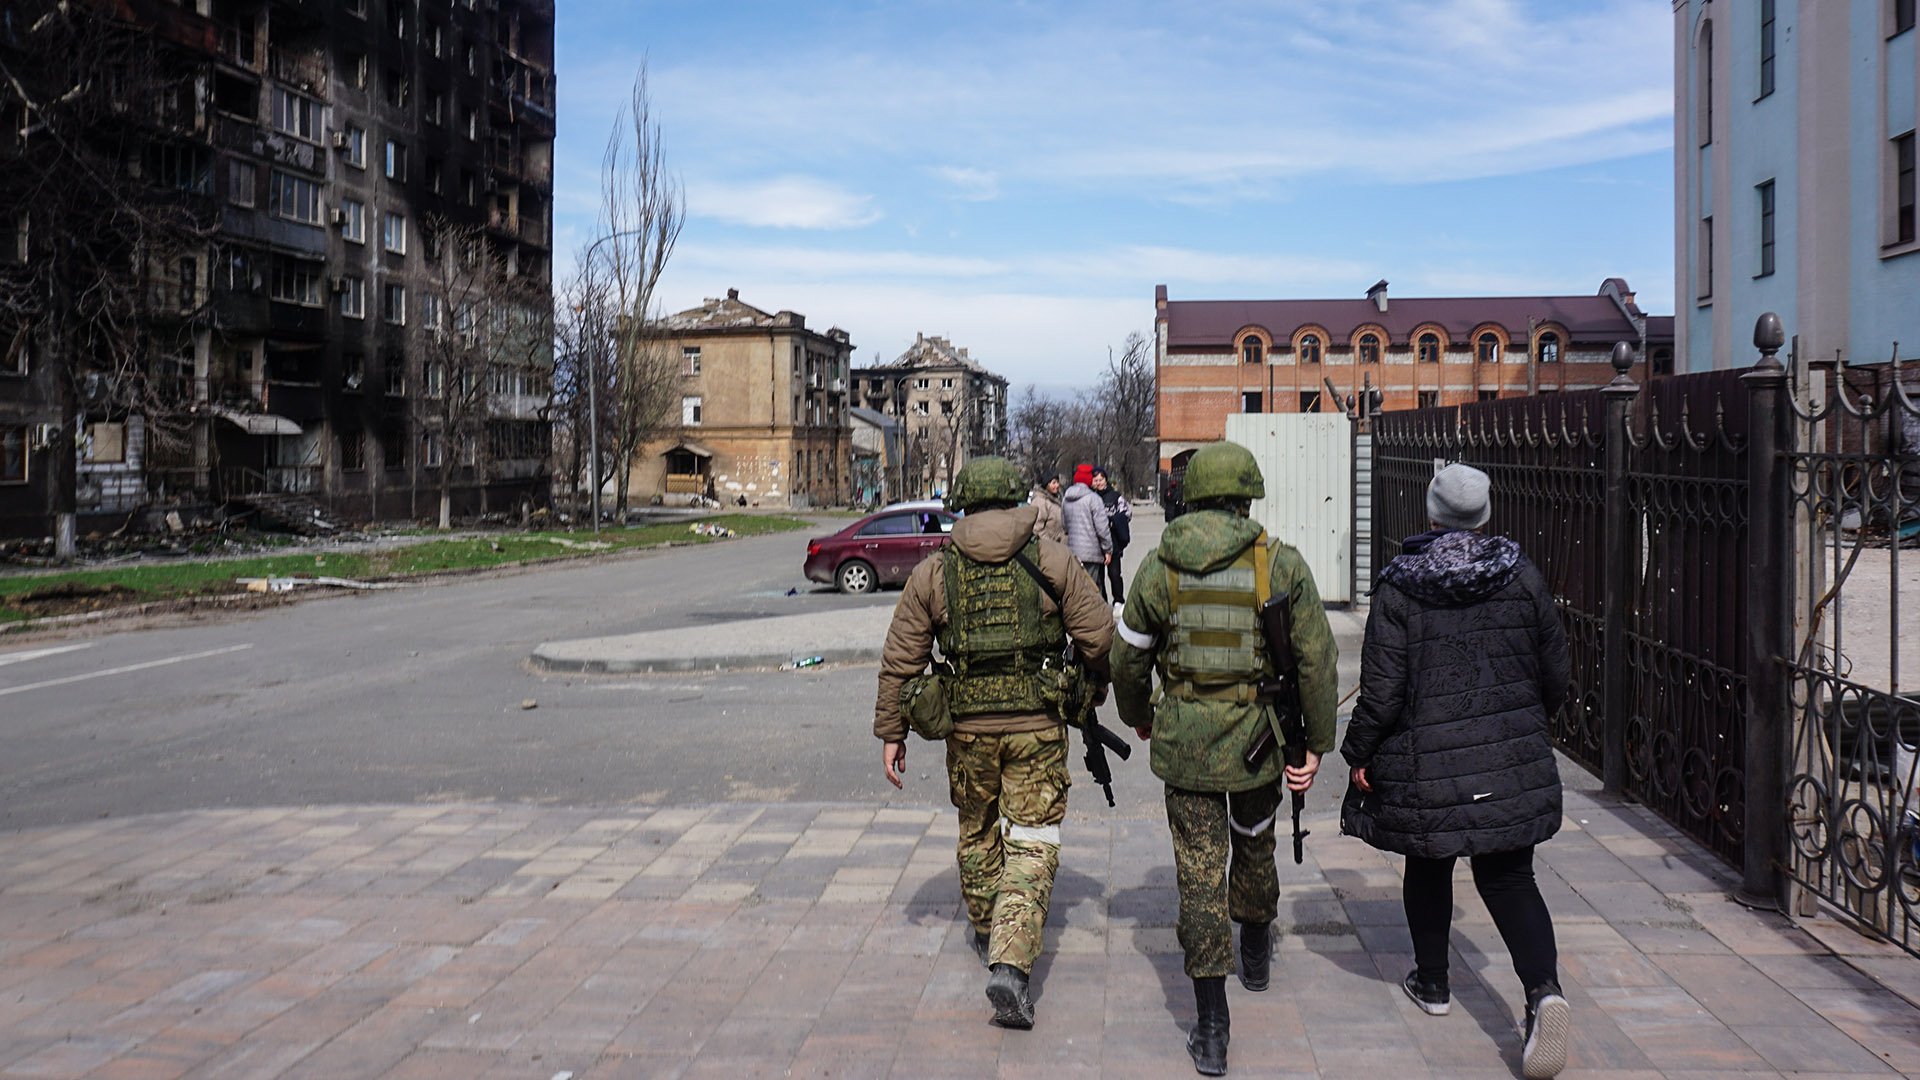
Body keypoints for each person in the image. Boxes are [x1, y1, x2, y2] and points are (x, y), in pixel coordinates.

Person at [1110, 441, 1338, 1077]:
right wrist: (1316, 743)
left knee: (1198, 873)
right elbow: (1318, 660)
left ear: (1192, 497)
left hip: (1185, 741)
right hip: (1258, 742)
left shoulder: (1160, 568)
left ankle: (1212, 1028)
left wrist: (1140, 715)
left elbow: (1127, 656)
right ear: (1246, 497)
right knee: (1256, 841)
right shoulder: (1281, 564)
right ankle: (1257, 946)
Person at [1339, 462, 1572, 1080]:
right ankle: (1543, 993)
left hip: (1427, 764)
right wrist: (1525, 724)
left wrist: (1358, 751)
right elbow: (1558, 673)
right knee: (1510, 878)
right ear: (1485, 515)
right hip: (1507, 754)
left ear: (1432, 514)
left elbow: (1382, 693)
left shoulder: (1400, 586)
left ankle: (1434, 982)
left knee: (1430, 860)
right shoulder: (1521, 576)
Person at [874, 455, 1114, 1031]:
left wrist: (892, 732)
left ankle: (988, 931)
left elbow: (901, 657)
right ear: (1014, 500)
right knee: (1032, 839)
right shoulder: (1049, 557)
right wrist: (1092, 686)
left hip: (968, 730)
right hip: (1037, 727)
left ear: (962, 503)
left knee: (977, 828)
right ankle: (1012, 959)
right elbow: (1099, 634)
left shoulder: (936, 571)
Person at [1061, 463, 1113, 597]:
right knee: (1093, 589)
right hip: (1091, 553)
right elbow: (1102, 528)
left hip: (1073, 551)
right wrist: (1107, 549)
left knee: (1076, 589)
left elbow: (1065, 525)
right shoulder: (1094, 499)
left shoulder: (1066, 499)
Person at [1090, 467, 1133, 603]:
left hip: (1113, 543)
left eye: (1101, 479)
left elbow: (1127, 513)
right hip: (1096, 544)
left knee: (1114, 574)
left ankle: (1118, 600)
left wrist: (1114, 521)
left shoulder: (1115, 496)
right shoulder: (1091, 497)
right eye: (1095, 480)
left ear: (1106, 480)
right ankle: (1102, 602)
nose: (1098, 483)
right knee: (1098, 577)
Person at [1030, 474, 1067, 544]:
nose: (1057, 485)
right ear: (1046, 484)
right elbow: (1037, 528)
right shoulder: (1040, 501)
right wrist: (1050, 544)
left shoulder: (1056, 499)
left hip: (1060, 545)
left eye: (1058, 482)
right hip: (1050, 547)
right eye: (1054, 483)